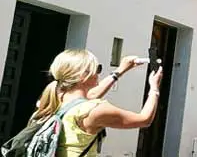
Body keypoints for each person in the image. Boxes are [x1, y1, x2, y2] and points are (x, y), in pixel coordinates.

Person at [30, 49, 163, 156]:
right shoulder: (96, 110)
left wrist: (119, 71)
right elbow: (144, 119)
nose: (99, 72)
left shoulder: (55, 97)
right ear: (83, 75)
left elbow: (89, 96)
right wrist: (154, 88)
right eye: (97, 68)